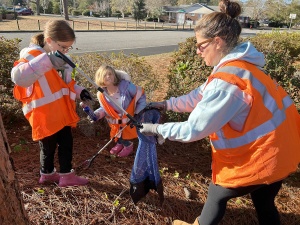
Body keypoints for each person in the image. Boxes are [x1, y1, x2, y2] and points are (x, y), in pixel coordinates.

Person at [140, 0, 300, 225]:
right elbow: (199, 96)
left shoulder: (227, 83)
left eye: (200, 45)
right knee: (265, 202)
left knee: (217, 195)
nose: (197, 52)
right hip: (283, 152)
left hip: (260, 157)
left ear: (217, 41)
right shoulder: (241, 67)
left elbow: (193, 129)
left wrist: (156, 129)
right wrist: (166, 104)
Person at [11, 20, 92, 187]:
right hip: (44, 113)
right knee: (48, 146)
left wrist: (80, 91)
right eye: (63, 47)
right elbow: (19, 78)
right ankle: (56, 175)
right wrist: (47, 61)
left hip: (61, 111)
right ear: (49, 40)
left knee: (64, 144)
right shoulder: (31, 55)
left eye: (68, 48)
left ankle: (54, 174)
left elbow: (67, 84)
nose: (65, 51)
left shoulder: (63, 60)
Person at [92, 65, 146, 157]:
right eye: (105, 75)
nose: (108, 76)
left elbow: (140, 95)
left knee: (125, 133)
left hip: (129, 118)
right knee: (118, 133)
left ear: (115, 76)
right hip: (116, 121)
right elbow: (104, 108)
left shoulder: (126, 87)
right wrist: (97, 114)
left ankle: (128, 145)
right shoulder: (102, 94)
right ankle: (119, 143)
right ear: (100, 78)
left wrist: (138, 112)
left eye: (110, 74)